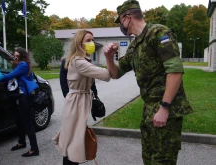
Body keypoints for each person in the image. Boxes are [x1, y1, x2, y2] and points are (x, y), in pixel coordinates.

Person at [103, 0, 193, 164]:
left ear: (128, 18)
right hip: (149, 110)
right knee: (148, 158)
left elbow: (175, 71)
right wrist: (109, 57)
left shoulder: (158, 33)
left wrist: (164, 107)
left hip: (167, 109)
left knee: (162, 160)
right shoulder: (135, 45)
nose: (121, 26)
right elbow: (116, 73)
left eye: (120, 21)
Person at [53, 30, 111, 165]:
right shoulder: (78, 61)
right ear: (79, 43)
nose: (92, 43)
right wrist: (109, 58)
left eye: (92, 39)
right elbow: (106, 75)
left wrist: (94, 97)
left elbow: (92, 82)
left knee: (73, 138)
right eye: (88, 40)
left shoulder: (83, 60)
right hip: (76, 102)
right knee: (73, 140)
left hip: (80, 101)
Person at [0, 48, 39, 157]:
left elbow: (10, 76)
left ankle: (34, 149)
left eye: (17, 56)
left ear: (22, 56)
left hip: (24, 96)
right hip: (19, 96)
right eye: (14, 55)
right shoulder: (21, 64)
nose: (15, 57)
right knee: (19, 121)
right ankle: (21, 142)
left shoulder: (23, 65)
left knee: (27, 123)